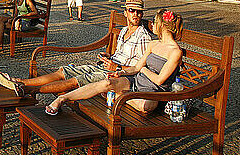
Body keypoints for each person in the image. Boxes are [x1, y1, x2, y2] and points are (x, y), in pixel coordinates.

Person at [0, 0, 153, 96]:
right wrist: (109, 58)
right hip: (107, 67)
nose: (136, 15)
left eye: (139, 12)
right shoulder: (124, 30)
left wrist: (117, 68)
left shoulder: (143, 37)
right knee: (64, 71)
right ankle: (19, 81)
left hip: (117, 76)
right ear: (125, 12)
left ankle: (27, 89)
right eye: (132, 11)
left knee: (75, 80)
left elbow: (140, 69)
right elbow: (120, 56)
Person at [44, 8, 183, 115]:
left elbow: (159, 80)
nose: (152, 25)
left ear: (162, 25)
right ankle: (62, 99)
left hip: (153, 91)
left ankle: (119, 94)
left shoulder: (175, 52)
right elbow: (136, 68)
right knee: (107, 82)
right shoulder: (153, 44)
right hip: (137, 80)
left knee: (146, 107)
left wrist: (143, 69)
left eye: (154, 22)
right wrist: (121, 72)